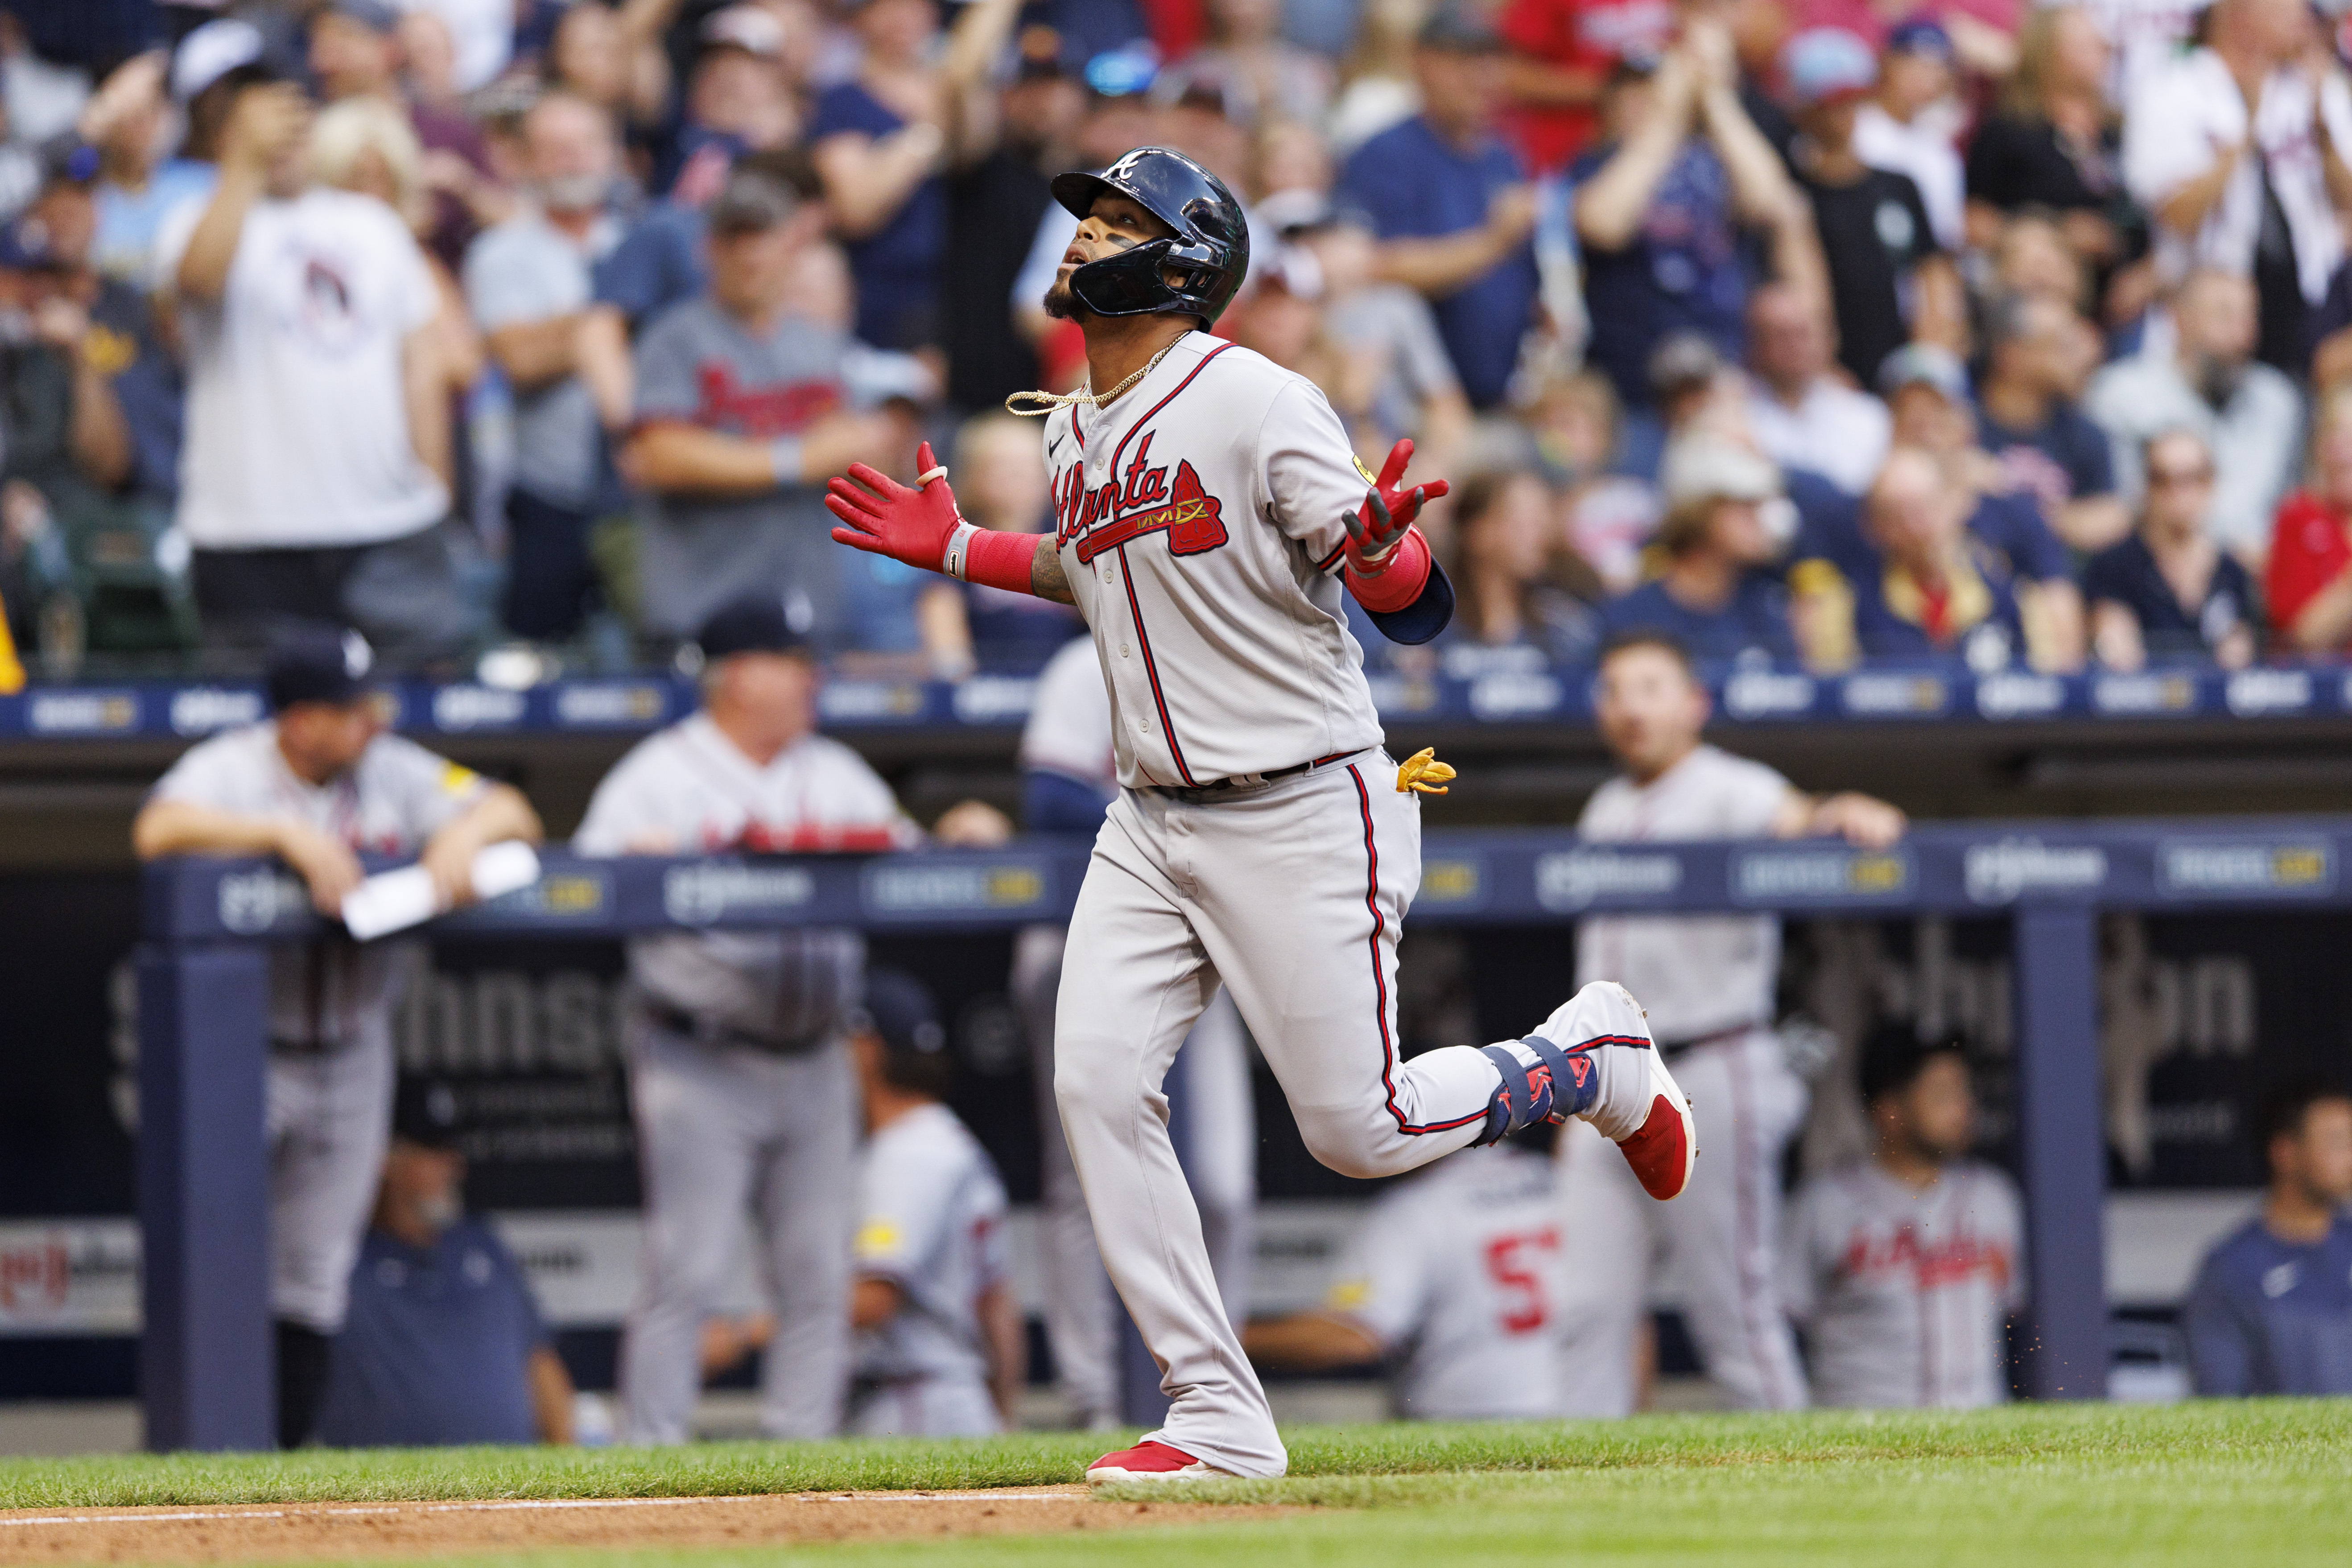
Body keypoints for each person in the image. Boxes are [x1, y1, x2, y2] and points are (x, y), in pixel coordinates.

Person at [824, 144, 1700, 1482]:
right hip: (1150, 817)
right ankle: (1216, 1409)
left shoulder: (1256, 397)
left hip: (1299, 796)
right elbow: (1095, 567)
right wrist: (955, 549)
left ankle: (1589, 1058)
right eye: (1084, 218)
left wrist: (1382, 547)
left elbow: (1406, 594)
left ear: (1179, 259)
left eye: (1112, 220)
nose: (1079, 239)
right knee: (1095, 1083)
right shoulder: (1076, 417)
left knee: (1361, 1130)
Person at [128, 625, 544, 1447]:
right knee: (210, 1260)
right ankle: (200, 1458)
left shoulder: (390, 764)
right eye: (350, 710)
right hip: (248, 1053)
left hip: (353, 1048)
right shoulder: (233, 768)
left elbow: (513, 809)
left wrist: (461, 834)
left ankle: (280, 1468)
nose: (372, 721)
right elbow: (156, 831)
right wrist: (281, 837)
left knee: (315, 1275)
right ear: (300, 722)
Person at [1553, 630, 1905, 1417]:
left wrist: (1841, 810)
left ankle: (1804, 1497)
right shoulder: (1604, 806)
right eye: (1613, 691)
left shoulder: (1726, 785)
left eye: (1648, 687)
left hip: (1708, 1063)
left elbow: (1797, 816)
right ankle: (1568, 1510)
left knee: (1732, 1309)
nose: (1628, 707)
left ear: (1692, 705)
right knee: (1581, 1307)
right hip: (1602, 1082)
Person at [573, 593, 898, 1444]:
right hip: (701, 1057)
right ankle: (649, 1460)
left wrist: (960, 831)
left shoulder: (834, 770)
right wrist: (636, 874)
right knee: (687, 1269)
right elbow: (580, 886)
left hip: (818, 1053)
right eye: (791, 662)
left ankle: (805, 1458)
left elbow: (908, 857)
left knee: (818, 1271)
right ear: (737, 676)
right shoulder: (656, 776)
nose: (808, 678)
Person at [1009, 632, 1259, 1428]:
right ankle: (1096, 1398)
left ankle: (1219, 1383)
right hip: (1091, 936)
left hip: (1209, 942)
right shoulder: (1086, 661)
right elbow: (1047, 795)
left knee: (1218, 1185)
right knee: (1089, 1183)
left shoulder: (1230, 654)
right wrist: (1185, 825)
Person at [154, 69, 455, 653]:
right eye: (259, 126)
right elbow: (198, 281)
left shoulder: (371, 224)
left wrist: (433, 487)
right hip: (247, 535)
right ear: (223, 138)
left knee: (416, 715)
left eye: (294, 122)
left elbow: (421, 361)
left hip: (388, 527)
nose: (281, 139)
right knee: (266, 731)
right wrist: (243, 166)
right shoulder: (192, 220)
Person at [621, 160, 909, 647]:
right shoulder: (674, 339)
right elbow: (656, 457)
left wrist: (864, 445)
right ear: (708, 249)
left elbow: (868, 453)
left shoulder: (821, 344)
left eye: (763, 235)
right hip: (700, 611)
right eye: (735, 237)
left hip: (810, 605)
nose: (750, 253)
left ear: (792, 247)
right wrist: (797, 458)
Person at [312, 1087, 577, 1446]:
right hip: (386, 1492)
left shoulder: (482, 1245)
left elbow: (539, 1361)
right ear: (385, 1158)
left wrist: (565, 1455)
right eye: (432, 1152)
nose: (452, 1166)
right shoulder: (339, 1257)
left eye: (452, 1152)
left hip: (512, 1487)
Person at [1571, 27, 1818, 411]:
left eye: (1656, 89)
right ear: (1611, 103)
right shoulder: (1595, 165)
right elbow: (1602, 224)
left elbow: (1770, 202)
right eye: (1634, 91)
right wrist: (1665, 124)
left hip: (1723, 377)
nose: (1649, 100)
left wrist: (1716, 98)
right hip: (1631, 386)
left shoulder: (1716, 160)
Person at [1781, 1027, 2025, 1409]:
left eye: (1963, 1094)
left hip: (1979, 1430)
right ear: (1890, 1111)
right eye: (1943, 1096)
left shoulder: (1994, 1198)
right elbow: (1782, 1327)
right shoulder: (1823, 1204)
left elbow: (2017, 1322)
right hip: (1861, 1431)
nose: (1962, 1110)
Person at [462, 91, 629, 642]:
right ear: (527, 162)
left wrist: (564, 331)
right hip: (547, 492)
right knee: (542, 654)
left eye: (586, 146)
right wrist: (624, 317)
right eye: (556, 150)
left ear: (612, 153)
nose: (575, 161)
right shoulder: (499, 251)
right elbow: (520, 359)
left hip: (643, 492)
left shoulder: (647, 237)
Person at [1242, 1139, 1568, 1419]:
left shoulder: (1418, 1207)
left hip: (1465, 1420)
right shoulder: (1560, 1179)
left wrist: (1217, 1339)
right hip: (1580, 1411)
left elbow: (1353, 1338)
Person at [2122, 0, 2352, 376]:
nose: (2301, 18)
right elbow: (2178, 215)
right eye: (2284, 8)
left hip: (2312, 303)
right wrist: (2243, 136)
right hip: (2210, 305)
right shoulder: (2174, 89)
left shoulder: (2314, 87)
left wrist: (2323, 135)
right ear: (2238, 13)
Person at [1336, 1, 1541, 411]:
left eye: (1491, 61)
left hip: (1503, 397)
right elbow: (1375, 264)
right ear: (1421, 62)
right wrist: (1492, 242)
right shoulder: (1385, 152)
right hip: (1416, 406)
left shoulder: (1504, 156)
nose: (1481, 77)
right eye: (1463, 61)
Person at [845, 970, 1024, 1436]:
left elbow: (874, 1300)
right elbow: (998, 1306)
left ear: (867, 1048)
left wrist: (751, 1333)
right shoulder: (948, 1140)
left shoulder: (909, 1154)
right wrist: (1002, 1415)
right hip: (954, 1397)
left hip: (914, 1400)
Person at [1780, 27, 1963, 390]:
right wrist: (1824, 368)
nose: (1843, 114)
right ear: (1804, 111)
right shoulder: (1794, 194)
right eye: (1830, 103)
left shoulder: (1899, 184)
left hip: (1903, 362)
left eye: (1852, 99)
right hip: (1832, 374)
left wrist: (1923, 360)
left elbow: (1934, 275)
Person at [2084, 270, 2301, 566]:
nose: (2242, 334)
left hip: (2261, 575)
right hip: (2156, 571)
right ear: (2179, 319)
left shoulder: (2278, 400)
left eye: (2249, 317)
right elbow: (2122, 507)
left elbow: (2295, 506)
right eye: (2224, 315)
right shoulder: (2121, 393)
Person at [2184, 1079, 2352, 1395]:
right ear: (2285, 1153)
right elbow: (2220, 1400)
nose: (2350, 1158)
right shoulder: (2232, 1269)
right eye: (2336, 1142)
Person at [1600, 433, 1801, 665]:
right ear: (1700, 513)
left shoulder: (1768, 610)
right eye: (1745, 505)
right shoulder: (1632, 616)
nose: (1760, 521)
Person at [2084, 428, 2259, 668]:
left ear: (2211, 483)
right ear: (2146, 487)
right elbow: (2114, 644)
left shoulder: (2233, 573)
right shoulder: (2114, 566)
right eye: (2162, 479)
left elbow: (2242, 649)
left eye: (2192, 478)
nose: (2177, 492)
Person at [1977, 291, 2130, 553]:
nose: (2083, 357)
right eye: (2064, 347)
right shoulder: (1963, 424)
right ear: (2012, 355)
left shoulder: (2086, 433)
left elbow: (2111, 518)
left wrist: (2015, 508)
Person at [1743, 280, 1891, 496]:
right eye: (1781, 336)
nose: (1795, 347)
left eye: (1803, 334)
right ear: (1756, 344)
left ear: (1829, 339)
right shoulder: (1736, 419)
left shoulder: (1867, 416)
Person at [1442, 466, 1601, 668]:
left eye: (1543, 522)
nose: (1542, 536)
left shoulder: (1566, 627)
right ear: (1478, 532)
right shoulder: (1427, 627)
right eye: (1525, 522)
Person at [1851, 20, 1964, 252]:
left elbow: (1947, 236)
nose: (1924, 75)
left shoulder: (1941, 150)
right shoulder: (1854, 127)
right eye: (1913, 61)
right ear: (1888, 62)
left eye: (1936, 66)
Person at [2265, 385, 2352, 652]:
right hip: (2322, 684)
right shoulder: (2298, 517)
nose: (2346, 453)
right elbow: (2302, 638)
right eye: (2337, 439)